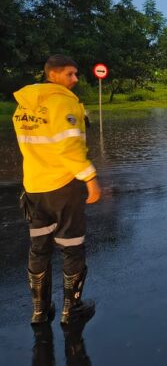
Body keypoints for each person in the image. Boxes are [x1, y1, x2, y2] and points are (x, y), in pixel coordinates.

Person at [13, 54, 101, 327]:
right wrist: (90, 178)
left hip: (34, 186)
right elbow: (68, 147)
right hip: (63, 186)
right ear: (52, 75)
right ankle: (71, 309)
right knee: (72, 246)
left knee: (39, 248)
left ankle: (39, 311)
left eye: (76, 74)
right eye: (69, 74)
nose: (75, 79)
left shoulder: (24, 106)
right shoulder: (63, 102)